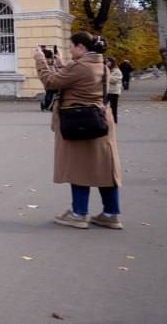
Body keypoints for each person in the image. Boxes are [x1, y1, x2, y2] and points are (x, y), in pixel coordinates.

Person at [34, 33, 123, 229]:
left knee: (78, 167)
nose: (70, 50)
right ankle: (110, 213)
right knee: (104, 168)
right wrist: (61, 64)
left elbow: (51, 82)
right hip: (100, 121)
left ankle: (78, 213)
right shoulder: (101, 66)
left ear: (81, 47)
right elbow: (76, 80)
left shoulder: (80, 67)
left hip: (78, 122)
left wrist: (40, 61)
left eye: (72, 47)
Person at [105, 57, 122, 125]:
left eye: (108, 61)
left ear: (112, 62)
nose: (106, 63)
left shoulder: (117, 71)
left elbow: (114, 80)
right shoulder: (106, 69)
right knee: (104, 105)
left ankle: (114, 120)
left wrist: (106, 76)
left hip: (114, 91)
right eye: (106, 61)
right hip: (106, 91)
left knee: (113, 107)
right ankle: (105, 119)